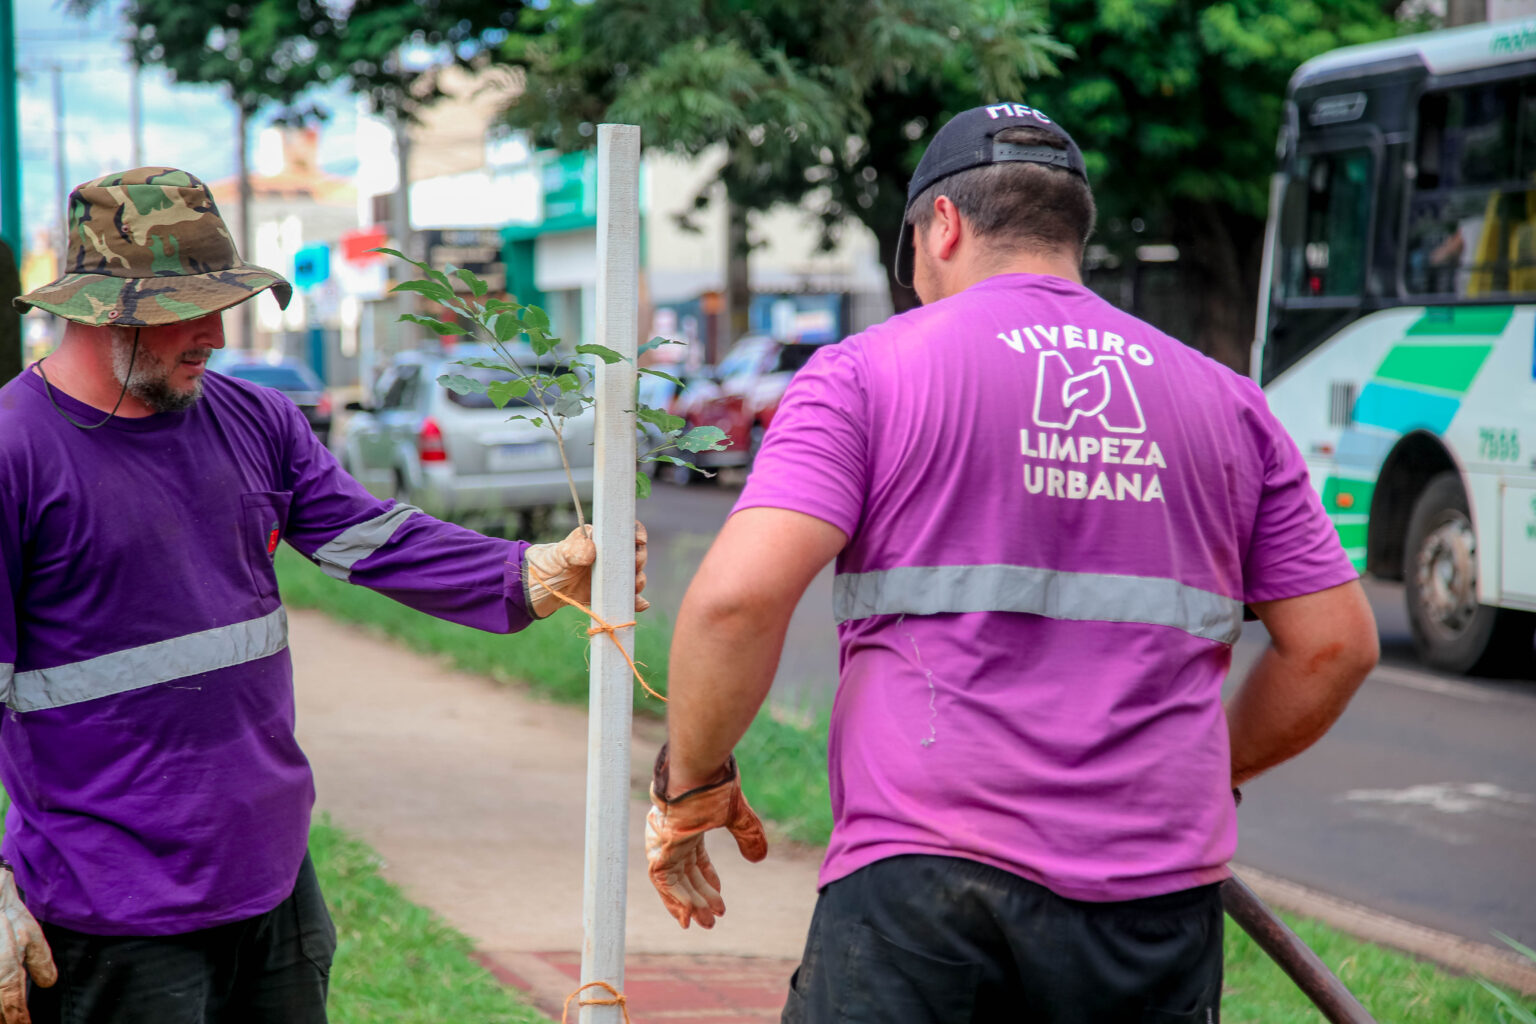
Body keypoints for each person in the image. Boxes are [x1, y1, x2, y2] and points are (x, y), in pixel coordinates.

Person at [643, 104, 1379, 1022]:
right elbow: (1336, 646)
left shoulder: (866, 375)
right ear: (1070, 230)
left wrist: (695, 781)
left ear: (941, 226)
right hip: (1152, 905)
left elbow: (735, 604)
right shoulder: (1224, 401)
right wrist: (1199, 765)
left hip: (924, 888)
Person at [0, 166, 648, 1024]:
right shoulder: (17, 453)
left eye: (221, 302)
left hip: (273, 888)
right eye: (188, 309)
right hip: (110, 916)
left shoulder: (254, 422)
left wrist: (526, 574)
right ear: (104, 307)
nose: (217, 334)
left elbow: (373, 539)